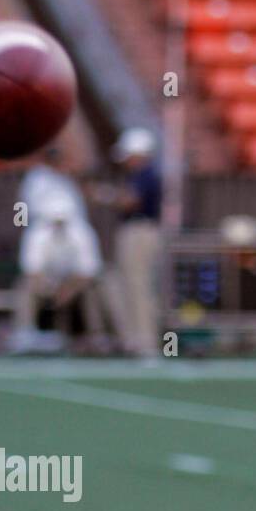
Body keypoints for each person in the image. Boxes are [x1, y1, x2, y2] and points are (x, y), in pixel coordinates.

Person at [12, 192, 105, 352]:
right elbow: (32, 271)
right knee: (25, 287)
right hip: (48, 282)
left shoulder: (82, 233)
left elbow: (88, 272)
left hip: (74, 283)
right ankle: (24, 334)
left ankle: (97, 336)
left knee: (97, 289)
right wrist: (48, 289)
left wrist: (67, 291)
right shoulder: (37, 233)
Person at [104, 126, 163, 358]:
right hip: (136, 231)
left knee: (138, 285)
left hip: (139, 231)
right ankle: (134, 339)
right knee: (128, 284)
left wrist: (109, 196)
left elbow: (131, 202)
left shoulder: (145, 174)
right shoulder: (142, 175)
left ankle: (145, 341)